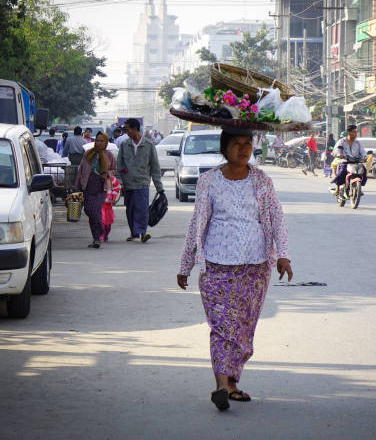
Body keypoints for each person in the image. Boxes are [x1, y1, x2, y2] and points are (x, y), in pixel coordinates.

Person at [176, 127, 293, 412]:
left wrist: (283, 256)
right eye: (236, 144)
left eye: (247, 144)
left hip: (255, 265)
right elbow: (197, 224)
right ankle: (220, 385)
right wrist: (186, 264)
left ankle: (232, 382)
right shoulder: (208, 181)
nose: (243, 149)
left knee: (242, 327)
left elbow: (276, 218)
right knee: (221, 326)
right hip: (216, 264)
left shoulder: (262, 180)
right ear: (224, 148)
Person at [117, 118, 163, 243]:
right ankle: (134, 233)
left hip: (143, 183)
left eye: (128, 129)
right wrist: (119, 182)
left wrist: (160, 188)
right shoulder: (124, 145)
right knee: (130, 209)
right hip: (128, 184)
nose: (126, 132)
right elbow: (119, 165)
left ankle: (143, 232)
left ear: (135, 129)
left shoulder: (149, 145)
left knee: (142, 209)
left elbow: (155, 167)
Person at [74, 132, 117, 248]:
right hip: (87, 185)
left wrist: (107, 174)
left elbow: (114, 170)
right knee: (88, 211)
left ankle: (97, 237)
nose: (99, 143)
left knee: (96, 211)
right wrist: (76, 187)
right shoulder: (88, 154)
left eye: (102, 141)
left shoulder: (109, 155)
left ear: (106, 142)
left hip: (101, 187)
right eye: (97, 140)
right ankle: (97, 236)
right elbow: (81, 170)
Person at [331, 125, 367, 195]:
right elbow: (336, 150)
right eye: (354, 132)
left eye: (356, 132)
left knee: (364, 170)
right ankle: (337, 187)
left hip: (356, 162)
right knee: (342, 171)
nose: (355, 134)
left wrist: (365, 157)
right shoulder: (342, 141)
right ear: (348, 132)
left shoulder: (358, 143)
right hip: (345, 162)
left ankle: (358, 187)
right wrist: (339, 154)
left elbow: (363, 152)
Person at [100, 176, 121, 243]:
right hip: (99, 205)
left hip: (108, 206)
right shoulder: (97, 178)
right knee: (101, 221)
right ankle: (100, 236)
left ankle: (105, 235)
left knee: (108, 225)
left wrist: (114, 197)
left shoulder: (113, 180)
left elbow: (117, 188)